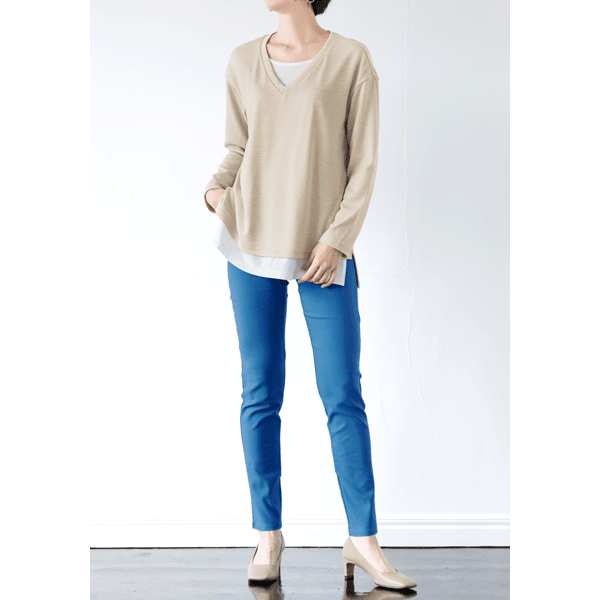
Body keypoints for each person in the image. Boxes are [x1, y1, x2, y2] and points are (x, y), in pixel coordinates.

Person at [203, 0, 417, 590]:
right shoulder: (243, 60)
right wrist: (215, 191)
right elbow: (239, 146)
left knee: (342, 394)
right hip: (249, 242)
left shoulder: (351, 59)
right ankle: (267, 535)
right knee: (259, 393)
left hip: (323, 253)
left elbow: (363, 162)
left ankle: (363, 540)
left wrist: (338, 240)